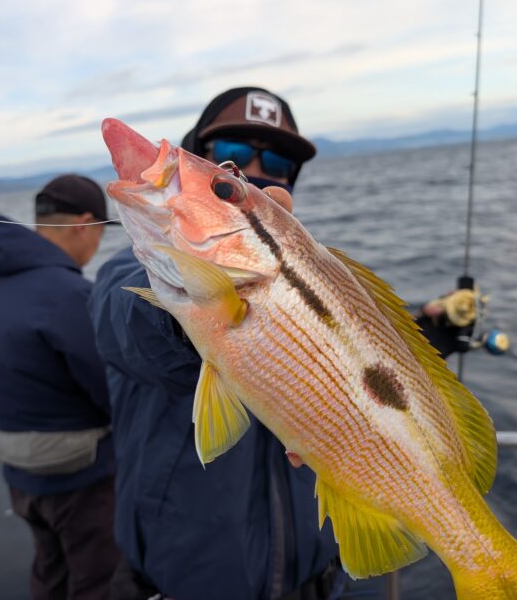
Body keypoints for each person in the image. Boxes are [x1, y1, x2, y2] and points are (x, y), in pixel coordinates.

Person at [89, 87, 466, 600]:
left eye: (280, 163)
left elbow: (347, 363)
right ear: (199, 154)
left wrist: (432, 335)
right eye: (232, 160)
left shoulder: (307, 269)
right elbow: (119, 326)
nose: (258, 171)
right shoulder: (133, 273)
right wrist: (190, 312)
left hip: (321, 582)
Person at [0, 174, 120, 600]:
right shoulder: (72, 294)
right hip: (82, 478)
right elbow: (110, 392)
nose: (98, 244)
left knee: (49, 576)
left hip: (20, 474)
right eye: (102, 232)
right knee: (99, 585)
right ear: (83, 224)